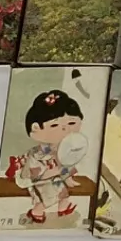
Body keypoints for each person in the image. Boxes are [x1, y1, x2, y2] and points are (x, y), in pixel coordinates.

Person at [9, 89, 84, 225]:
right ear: (35, 128)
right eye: (54, 125)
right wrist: (54, 171)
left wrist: (68, 176)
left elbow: (64, 163)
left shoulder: (62, 148)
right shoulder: (38, 153)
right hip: (36, 176)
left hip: (52, 175)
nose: (65, 130)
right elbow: (35, 173)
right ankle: (36, 211)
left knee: (61, 189)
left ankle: (63, 207)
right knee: (47, 193)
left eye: (71, 123)